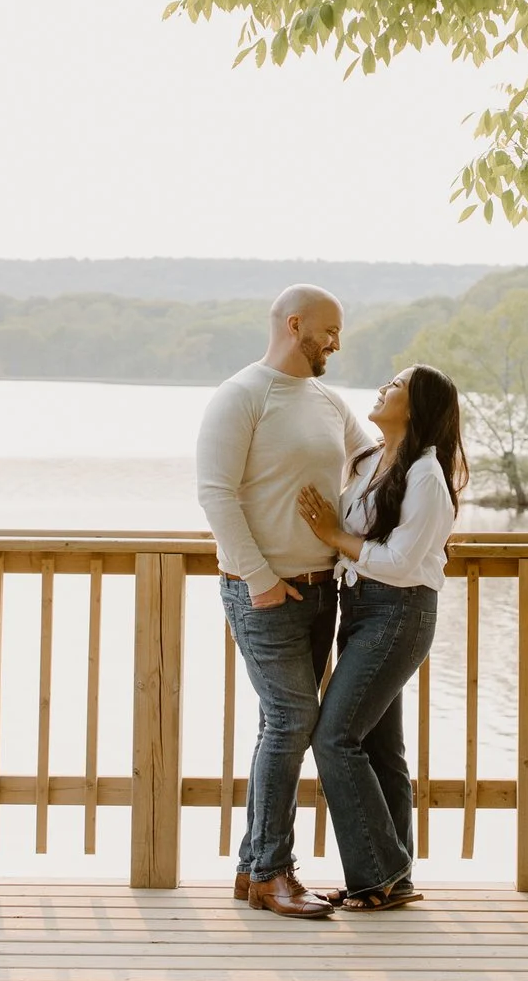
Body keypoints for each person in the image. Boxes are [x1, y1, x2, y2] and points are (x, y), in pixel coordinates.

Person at [197, 284, 371, 919]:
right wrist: (260, 578)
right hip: (262, 592)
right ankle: (272, 872)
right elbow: (215, 495)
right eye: (328, 330)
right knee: (293, 719)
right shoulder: (241, 395)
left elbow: (374, 459)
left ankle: (253, 871)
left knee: (283, 723)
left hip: (324, 588)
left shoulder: (329, 401)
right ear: (294, 324)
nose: (336, 342)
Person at [294, 363, 466, 912]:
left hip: (400, 612)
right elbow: (327, 417)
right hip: (360, 608)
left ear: (414, 407)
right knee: (379, 746)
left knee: (334, 738)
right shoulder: (370, 459)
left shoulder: (425, 477)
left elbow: (397, 563)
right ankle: (393, 876)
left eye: (395, 386)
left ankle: (379, 873)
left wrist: (333, 536)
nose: (382, 388)